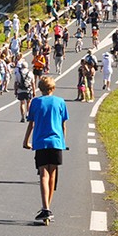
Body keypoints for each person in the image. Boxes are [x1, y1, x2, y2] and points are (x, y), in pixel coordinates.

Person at [23, 76, 68, 223]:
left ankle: (45, 207)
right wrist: (63, 141)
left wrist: (26, 141)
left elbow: (31, 123)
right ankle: (48, 208)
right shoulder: (60, 102)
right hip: (56, 142)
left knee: (43, 174)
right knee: (53, 174)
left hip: (41, 142)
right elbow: (63, 125)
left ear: (40, 88)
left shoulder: (36, 102)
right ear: (53, 88)